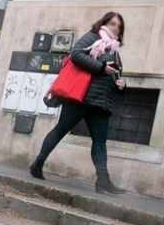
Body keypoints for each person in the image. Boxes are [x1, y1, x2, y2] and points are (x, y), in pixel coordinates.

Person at [30, 12, 127, 194]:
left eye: (119, 26)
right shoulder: (93, 37)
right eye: (113, 24)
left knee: (100, 141)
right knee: (61, 130)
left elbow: (113, 76)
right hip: (80, 98)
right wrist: (101, 67)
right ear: (104, 23)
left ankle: (103, 181)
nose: (116, 28)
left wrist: (121, 85)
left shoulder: (114, 50)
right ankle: (38, 164)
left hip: (100, 103)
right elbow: (76, 54)